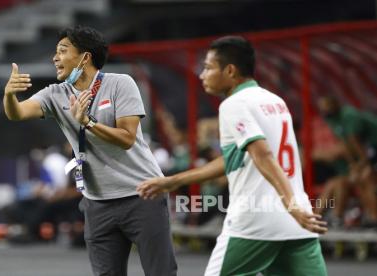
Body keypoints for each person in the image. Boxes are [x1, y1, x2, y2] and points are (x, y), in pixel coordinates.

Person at [137, 36, 328, 276]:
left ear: (229, 70)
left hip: (256, 219)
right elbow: (236, 160)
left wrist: (290, 205)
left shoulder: (234, 105)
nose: (201, 75)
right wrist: (172, 181)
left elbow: (263, 154)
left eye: (207, 68)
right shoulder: (275, 101)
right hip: (297, 220)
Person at [3, 25, 177, 276]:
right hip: (97, 204)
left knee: (160, 272)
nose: (55, 58)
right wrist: (9, 95)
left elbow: (127, 138)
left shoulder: (121, 84)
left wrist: (88, 123)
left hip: (142, 195)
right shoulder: (55, 94)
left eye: (62, 51)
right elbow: (17, 113)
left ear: (85, 57)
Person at [318, 96, 377, 227]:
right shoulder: (332, 119)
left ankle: (373, 218)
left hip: (372, 154)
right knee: (336, 183)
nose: (324, 110)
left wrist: (360, 166)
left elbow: (355, 143)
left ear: (335, 104)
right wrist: (354, 166)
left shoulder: (349, 115)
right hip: (366, 157)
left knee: (364, 177)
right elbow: (346, 145)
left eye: (327, 106)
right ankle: (318, 220)